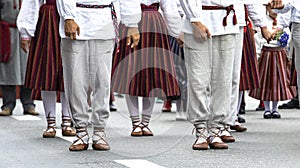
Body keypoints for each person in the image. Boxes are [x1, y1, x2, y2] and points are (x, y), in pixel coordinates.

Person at [56, 0, 141, 151]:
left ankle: (99, 130)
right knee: (75, 81)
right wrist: (68, 17)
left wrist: (132, 23)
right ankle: (80, 130)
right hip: (76, 17)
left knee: (102, 80)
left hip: (104, 22)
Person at [111, 0, 182, 137]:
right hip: (132, 22)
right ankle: (136, 122)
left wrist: (177, 31)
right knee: (131, 74)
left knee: (152, 74)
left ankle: (145, 123)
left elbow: (169, 6)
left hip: (154, 24)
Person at [179, 0, 243, 150]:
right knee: (198, 79)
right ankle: (201, 129)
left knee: (223, 80)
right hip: (199, 20)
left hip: (227, 22)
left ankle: (216, 128)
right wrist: (194, 20)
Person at [17, 0, 76, 138]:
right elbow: (31, 3)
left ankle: (67, 121)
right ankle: (51, 123)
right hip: (47, 20)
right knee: (47, 71)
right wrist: (26, 32)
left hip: (74, 18)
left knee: (68, 72)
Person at [249, 5, 296, 119]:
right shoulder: (263, 22)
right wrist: (258, 55)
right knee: (266, 81)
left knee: (277, 82)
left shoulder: (282, 21)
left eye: (277, 10)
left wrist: (287, 54)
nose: (274, 12)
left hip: (279, 53)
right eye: (271, 9)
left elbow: (288, 37)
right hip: (266, 52)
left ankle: (275, 108)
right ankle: (266, 108)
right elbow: (259, 38)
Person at [0, 0, 38, 116]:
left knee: (28, 68)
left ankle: (28, 104)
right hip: (7, 32)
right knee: (7, 69)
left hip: (28, 32)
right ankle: (8, 104)